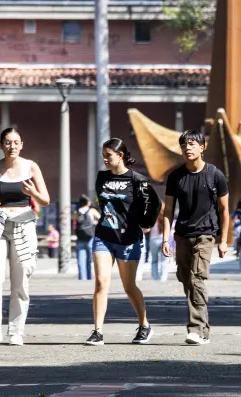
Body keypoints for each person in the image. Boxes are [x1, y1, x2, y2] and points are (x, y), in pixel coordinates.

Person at [85, 138, 160, 346]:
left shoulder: (138, 180)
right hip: (104, 236)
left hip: (128, 239)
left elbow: (155, 204)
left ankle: (144, 325)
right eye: (103, 155)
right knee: (101, 282)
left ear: (121, 156)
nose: (105, 159)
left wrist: (145, 223)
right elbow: (102, 203)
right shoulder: (101, 178)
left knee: (129, 286)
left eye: (108, 155)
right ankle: (97, 331)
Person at [0, 128, 50, 347]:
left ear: (21, 144)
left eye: (16, 142)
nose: (12, 146)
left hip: (24, 223)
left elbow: (45, 199)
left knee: (20, 281)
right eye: (8, 142)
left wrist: (32, 194)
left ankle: (16, 331)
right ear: (1, 144)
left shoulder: (31, 167)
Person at [161, 130, 230, 346]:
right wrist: (165, 238)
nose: (187, 148)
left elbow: (224, 209)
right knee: (186, 280)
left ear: (202, 147)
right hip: (182, 235)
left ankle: (196, 329)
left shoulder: (215, 175)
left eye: (192, 144)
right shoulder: (175, 176)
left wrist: (223, 239)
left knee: (197, 279)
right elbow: (168, 210)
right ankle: (204, 328)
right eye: (184, 145)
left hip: (206, 235)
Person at [75, 195, 100, 280]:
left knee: (81, 260)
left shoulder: (77, 212)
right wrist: (94, 223)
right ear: (87, 202)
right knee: (89, 260)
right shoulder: (92, 211)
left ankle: (82, 278)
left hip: (80, 237)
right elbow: (101, 219)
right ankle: (89, 277)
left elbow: (74, 223)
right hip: (90, 237)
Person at [149, 209, 169, 281]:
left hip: (153, 240)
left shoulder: (152, 217)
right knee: (164, 260)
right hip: (163, 240)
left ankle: (155, 277)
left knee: (154, 260)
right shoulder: (165, 218)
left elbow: (147, 229)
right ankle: (163, 277)